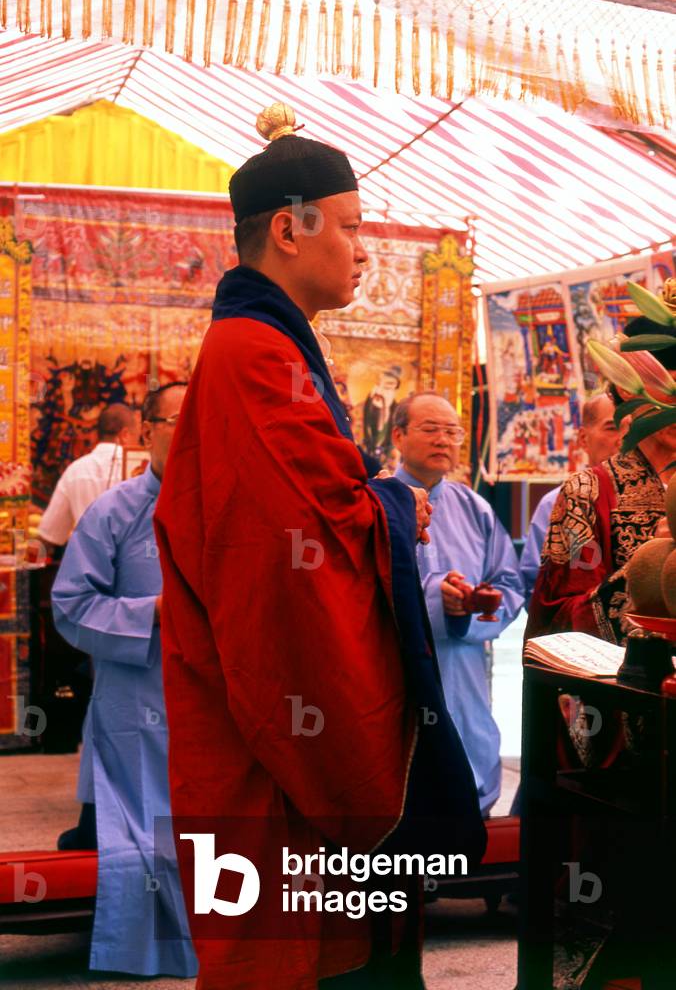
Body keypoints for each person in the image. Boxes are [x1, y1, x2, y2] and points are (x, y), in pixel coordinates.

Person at [154, 103, 486, 990]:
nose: (362, 249)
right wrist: (387, 506)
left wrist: (377, 506)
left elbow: (324, 505)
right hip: (265, 720)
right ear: (289, 229)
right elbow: (290, 539)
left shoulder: (272, 348)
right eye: (349, 227)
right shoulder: (254, 355)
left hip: (269, 707)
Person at [51, 383, 197, 978]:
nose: (190, 431)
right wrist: (152, 613)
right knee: (139, 839)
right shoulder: (115, 510)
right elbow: (70, 605)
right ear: (144, 431)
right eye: (175, 419)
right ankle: (151, 949)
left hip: (216, 704)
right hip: (137, 706)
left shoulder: (236, 508)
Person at [393, 391, 524, 816]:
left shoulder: (476, 509)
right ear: (398, 435)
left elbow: (509, 584)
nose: (443, 440)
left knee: (468, 784)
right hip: (395, 670)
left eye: (452, 432)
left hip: (463, 670)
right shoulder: (376, 503)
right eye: (430, 429)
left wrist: (469, 610)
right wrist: (436, 599)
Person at [525, 317, 676, 645]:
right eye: (670, 390)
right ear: (627, 389)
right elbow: (557, 624)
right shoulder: (587, 491)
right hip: (634, 688)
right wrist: (647, 568)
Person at [520, 393, 623, 603]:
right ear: (584, 439)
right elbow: (535, 586)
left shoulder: (660, 495)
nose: (623, 439)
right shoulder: (560, 502)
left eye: (631, 428)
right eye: (612, 428)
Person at [38, 402, 140, 551]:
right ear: (125, 435)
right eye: (137, 437)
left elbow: (50, 534)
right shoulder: (139, 468)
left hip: (88, 564)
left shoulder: (75, 471)